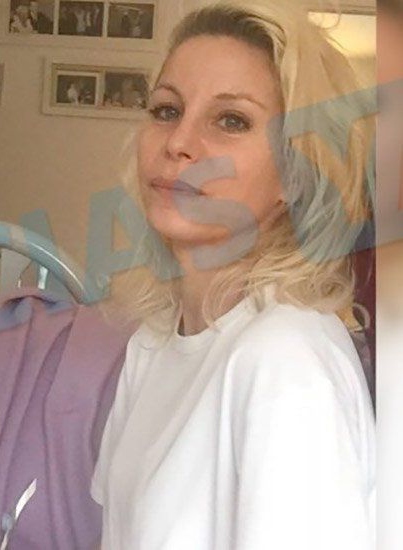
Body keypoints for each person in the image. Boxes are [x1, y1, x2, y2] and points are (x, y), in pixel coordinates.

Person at [92, 1, 375, 548]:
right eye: (167, 110)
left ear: (294, 172)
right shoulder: (153, 343)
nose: (179, 142)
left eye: (231, 121)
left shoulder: (285, 360)